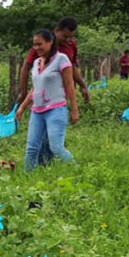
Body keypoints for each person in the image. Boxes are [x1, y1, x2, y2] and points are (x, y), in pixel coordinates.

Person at [15, 29, 79, 170]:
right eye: (34, 45)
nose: (37, 48)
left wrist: (74, 110)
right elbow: (35, 88)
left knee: (56, 147)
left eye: (40, 44)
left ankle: (76, 171)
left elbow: (70, 86)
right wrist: (22, 107)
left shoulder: (61, 59)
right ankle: (27, 177)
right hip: (37, 111)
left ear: (50, 42)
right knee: (31, 147)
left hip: (56, 109)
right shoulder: (37, 62)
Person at [17, 16, 89, 106]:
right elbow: (26, 67)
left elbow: (72, 66)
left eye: (71, 37)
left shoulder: (71, 45)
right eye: (65, 36)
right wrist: (23, 92)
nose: (68, 40)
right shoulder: (43, 45)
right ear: (57, 31)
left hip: (60, 96)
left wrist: (83, 86)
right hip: (42, 95)